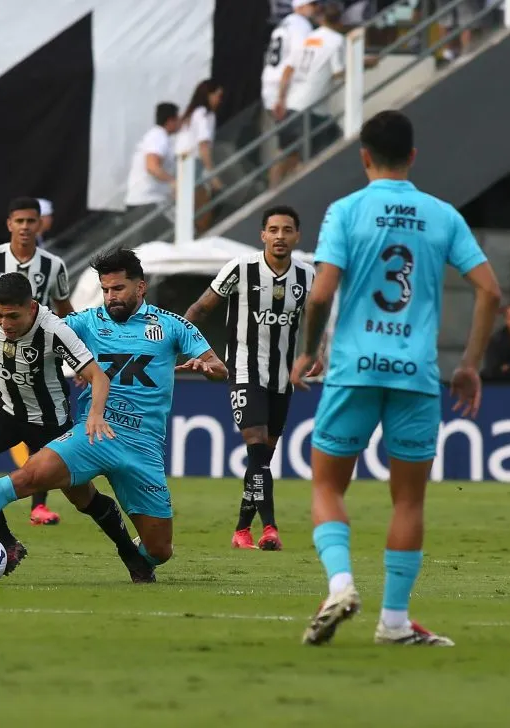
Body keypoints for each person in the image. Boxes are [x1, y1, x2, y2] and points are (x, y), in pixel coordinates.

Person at [290, 110, 502, 646]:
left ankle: (340, 584)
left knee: (327, 485)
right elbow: (490, 291)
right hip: (415, 376)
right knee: (408, 502)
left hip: (354, 370)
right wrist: (469, 364)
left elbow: (320, 294)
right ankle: (394, 622)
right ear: (412, 156)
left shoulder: (345, 211)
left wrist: (308, 352)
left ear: (364, 156)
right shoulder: (443, 216)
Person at [0, 249, 228, 580]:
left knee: (160, 551)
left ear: (141, 287)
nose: (110, 297)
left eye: (118, 289)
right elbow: (38, 327)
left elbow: (220, 367)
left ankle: (139, 552)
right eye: (105, 289)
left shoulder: (171, 325)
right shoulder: (85, 322)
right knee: (29, 476)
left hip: (143, 446)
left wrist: (206, 368)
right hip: (93, 434)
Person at [0, 272, 155, 581]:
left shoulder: (54, 330)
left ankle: (129, 552)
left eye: (13, 316)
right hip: (5, 406)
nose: (4, 323)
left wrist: (94, 414)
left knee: (84, 498)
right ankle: (7, 541)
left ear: (32, 307)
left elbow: (99, 377)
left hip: (48, 422)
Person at [185, 204, 316, 551]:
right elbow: (199, 309)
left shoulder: (307, 277)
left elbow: (322, 318)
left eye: (287, 230)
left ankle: (242, 529)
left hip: (282, 380)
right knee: (257, 449)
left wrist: (316, 354)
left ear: (297, 236)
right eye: (273, 230)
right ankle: (269, 528)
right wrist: (191, 350)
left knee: (262, 460)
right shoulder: (240, 269)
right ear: (262, 235)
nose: (280, 236)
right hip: (243, 371)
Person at [0, 197, 74, 526]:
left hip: (38, 368)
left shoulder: (54, 265)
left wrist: (76, 352)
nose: (25, 227)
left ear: (41, 224)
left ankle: (39, 506)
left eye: (31, 221)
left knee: (41, 439)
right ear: (9, 223)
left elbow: (64, 310)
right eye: (19, 221)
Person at [273, 2, 345, 184]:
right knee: (317, 156)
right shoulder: (336, 40)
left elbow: (288, 69)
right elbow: (339, 74)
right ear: (340, 21)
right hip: (313, 109)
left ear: (321, 19)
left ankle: (271, 193)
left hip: (292, 104)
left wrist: (281, 99)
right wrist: (360, 64)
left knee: (285, 153)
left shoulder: (309, 38)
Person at [261, 0, 318, 187]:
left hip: (271, 88)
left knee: (292, 146)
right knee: (288, 146)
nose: (315, 8)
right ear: (301, 6)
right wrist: (282, 98)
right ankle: (274, 190)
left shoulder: (285, 23)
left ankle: (283, 188)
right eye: (313, 4)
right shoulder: (301, 25)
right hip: (283, 91)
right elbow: (295, 63)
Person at [176, 79, 225, 233]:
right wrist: (212, 174)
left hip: (182, 164)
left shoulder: (190, 115)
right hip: (193, 164)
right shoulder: (205, 114)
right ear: (208, 95)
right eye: (218, 95)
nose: (219, 100)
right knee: (203, 209)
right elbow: (203, 145)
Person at [124, 103, 181, 210]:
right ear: (170, 121)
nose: (180, 122)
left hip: (151, 200)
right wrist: (173, 182)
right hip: (146, 201)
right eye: (177, 119)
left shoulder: (161, 138)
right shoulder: (158, 137)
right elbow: (152, 166)